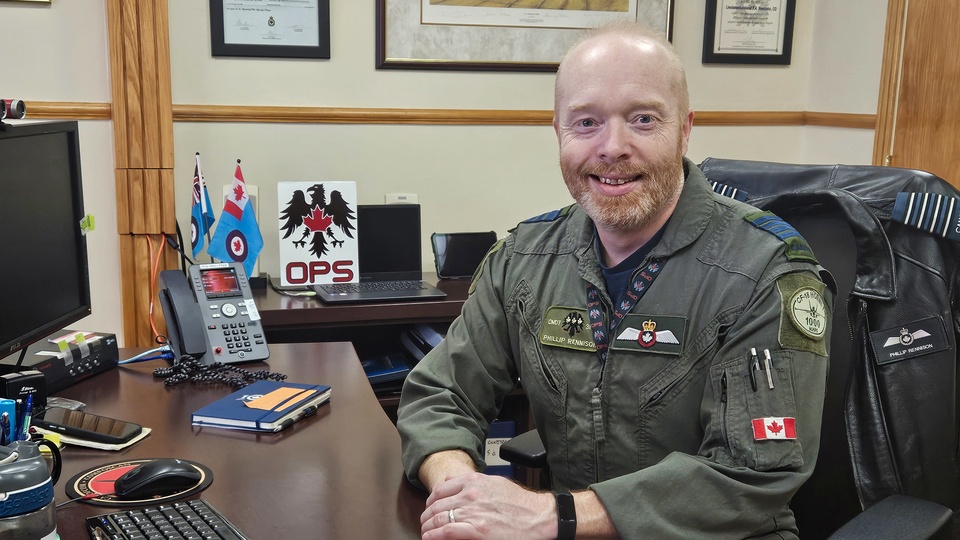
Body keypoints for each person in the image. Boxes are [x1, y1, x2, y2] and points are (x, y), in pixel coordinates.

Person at [397, 21, 833, 540]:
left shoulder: (766, 270)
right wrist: (458, 492)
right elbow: (442, 393)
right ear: (559, 133)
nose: (612, 147)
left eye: (643, 119)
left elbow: (753, 474)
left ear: (685, 128)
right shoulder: (524, 258)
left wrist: (550, 516)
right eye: (586, 123)